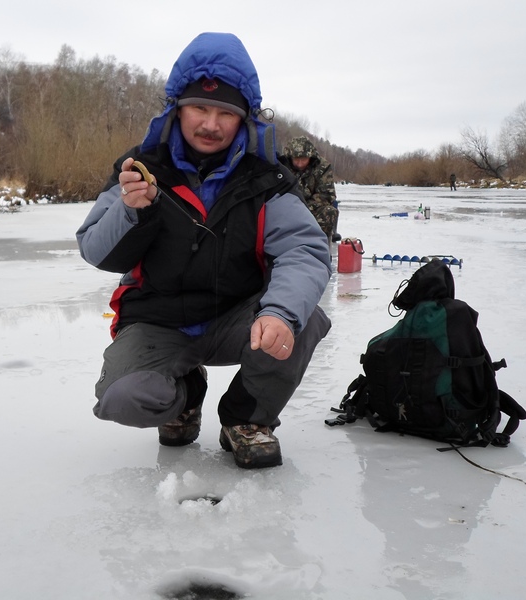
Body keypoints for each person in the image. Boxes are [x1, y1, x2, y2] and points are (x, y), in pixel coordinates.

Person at [75, 32, 332, 469]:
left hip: (238, 319)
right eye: (199, 108)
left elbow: (304, 251)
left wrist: (278, 312)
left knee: (302, 318)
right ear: (177, 108)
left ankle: (246, 419)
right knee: (125, 400)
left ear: (244, 119)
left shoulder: (267, 177)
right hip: (158, 321)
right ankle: (185, 397)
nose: (210, 124)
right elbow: (98, 252)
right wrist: (131, 211)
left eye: (225, 113)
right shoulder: (140, 167)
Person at [279, 136, 340, 243]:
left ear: (310, 157)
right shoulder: (282, 167)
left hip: (311, 209)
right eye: (296, 160)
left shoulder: (322, 167)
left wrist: (303, 209)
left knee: (329, 212)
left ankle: (316, 244)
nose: (300, 163)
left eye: (303, 159)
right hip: (286, 208)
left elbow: (326, 195)